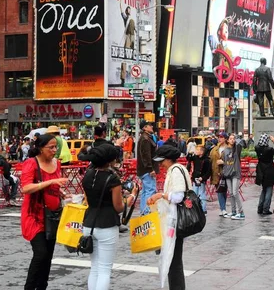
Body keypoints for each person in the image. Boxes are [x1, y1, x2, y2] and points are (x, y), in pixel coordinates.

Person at [81, 144, 135, 290]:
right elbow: (118, 207)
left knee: (95, 267)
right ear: (110, 161)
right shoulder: (112, 179)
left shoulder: (87, 175)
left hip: (88, 224)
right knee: (105, 269)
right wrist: (131, 198)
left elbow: (87, 199)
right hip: (107, 224)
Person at [20, 134, 68, 290]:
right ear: (40, 148)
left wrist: (63, 194)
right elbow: (26, 188)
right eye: (51, 147)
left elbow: (54, 188)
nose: (54, 150)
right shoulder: (31, 163)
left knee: (47, 257)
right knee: (40, 254)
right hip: (34, 215)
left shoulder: (57, 163)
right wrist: (51, 181)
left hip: (52, 216)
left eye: (56, 147)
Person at [147, 145, 192, 289]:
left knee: (174, 261)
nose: (160, 164)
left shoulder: (176, 171)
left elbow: (178, 196)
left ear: (169, 159)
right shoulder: (176, 169)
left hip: (176, 220)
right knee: (173, 259)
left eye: (162, 161)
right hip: (175, 219)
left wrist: (160, 195)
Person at [255, 134, 274, 215]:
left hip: (261, 171)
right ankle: (266, 209)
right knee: (269, 190)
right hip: (269, 171)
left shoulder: (257, 148)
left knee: (264, 190)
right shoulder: (269, 149)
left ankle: (260, 208)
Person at [222, 134, 245, 220]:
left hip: (236, 173)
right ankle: (233, 211)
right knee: (231, 193)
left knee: (235, 193)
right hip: (228, 174)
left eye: (233, 139)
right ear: (227, 140)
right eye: (231, 139)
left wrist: (237, 138)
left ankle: (241, 212)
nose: (232, 140)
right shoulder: (225, 151)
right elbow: (224, 162)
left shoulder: (237, 149)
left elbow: (242, 143)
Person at [137, 120, 157, 215]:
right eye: (149, 125)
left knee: (146, 191)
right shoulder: (145, 139)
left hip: (144, 170)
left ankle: (144, 211)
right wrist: (150, 169)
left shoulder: (145, 137)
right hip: (147, 170)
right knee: (150, 190)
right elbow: (146, 156)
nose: (151, 127)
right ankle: (147, 212)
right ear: (144, 128)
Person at [187, 144, 212, 214]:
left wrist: (203, 178)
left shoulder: (206, 160)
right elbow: (188, 159)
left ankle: (203, 209)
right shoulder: (195, 157)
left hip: (201, 179)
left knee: (202, 194)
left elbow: (208, 171)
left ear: (202, 152)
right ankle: (196, 208)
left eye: (197, 150)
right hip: (195, 178)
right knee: (195, 193)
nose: (196, 151)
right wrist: (189, 153)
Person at [209, 132, 229, 217]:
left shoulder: (229, 148)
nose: (219, 139)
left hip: (226, 172)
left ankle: (223, 208)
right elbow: (210, 160)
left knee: (224, 190)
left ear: (225, 138)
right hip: (216, 173)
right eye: (219, 137)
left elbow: (234, 160)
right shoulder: (214, 149)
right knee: (219, 190)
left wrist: (224, 162)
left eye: (221, 137)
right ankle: (222, 208)